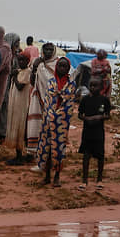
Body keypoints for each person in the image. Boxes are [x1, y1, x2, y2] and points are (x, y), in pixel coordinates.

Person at [37, 57, 76, 187]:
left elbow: (69, 105)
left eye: (65, 66)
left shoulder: (71, 85)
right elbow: (47, 102)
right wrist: (50, 115)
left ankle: (57, 176)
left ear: (68, 68)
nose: (62, 69)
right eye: (60, 66)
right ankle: (47, 175)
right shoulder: (51, 82)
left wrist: (58, 114)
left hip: (61, 123)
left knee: (59, 150)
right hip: (48, 121)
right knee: (47, 149)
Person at [77, 77, 112, 190]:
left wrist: (99, 117)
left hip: (98, 132)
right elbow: (79, 114)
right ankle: (84, 180)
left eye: (95, 85)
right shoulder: (85, 99)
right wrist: (86, 119)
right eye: (91, 85)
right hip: (87, 131)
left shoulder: (104, 100)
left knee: (100, 156)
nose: (92, 88)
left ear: (101, 87)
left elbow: (108, 115)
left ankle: (99, 179)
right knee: (86, 156)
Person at [27, 43, 59, 156]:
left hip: (52, 100)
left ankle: (47, 153)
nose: (48, 52)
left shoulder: (58, 64)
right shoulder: (38, 63)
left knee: (49, 127)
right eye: (46, 49)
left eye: (51, 50)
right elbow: (31, 81)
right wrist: (36, 67)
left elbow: (55, 82)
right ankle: (34, 151)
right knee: (36, 124)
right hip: (37, 98)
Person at [5, 52, 32, 165]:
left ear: (28, 61)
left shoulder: (27, 72)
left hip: (21, 104)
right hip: (15, 103)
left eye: (23, 60)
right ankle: (18, 155)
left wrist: (14, 76)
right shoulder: (19, 71)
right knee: (15, 126)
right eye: (19, 60)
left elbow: (20, 86)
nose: (21, 62)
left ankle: (20, 156)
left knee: (20, 128)